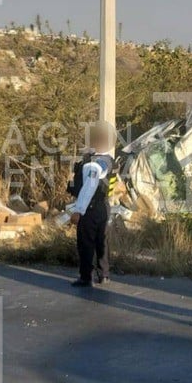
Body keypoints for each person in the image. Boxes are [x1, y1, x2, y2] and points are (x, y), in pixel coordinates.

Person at [67, 120, 116, 289]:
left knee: (86, 242)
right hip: (103, 207)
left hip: (90, 207)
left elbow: (89, 185)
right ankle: (104, 274)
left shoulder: (93, 163)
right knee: (102, 241)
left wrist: (78, 210)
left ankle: (86, 277)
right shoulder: (109, 159)